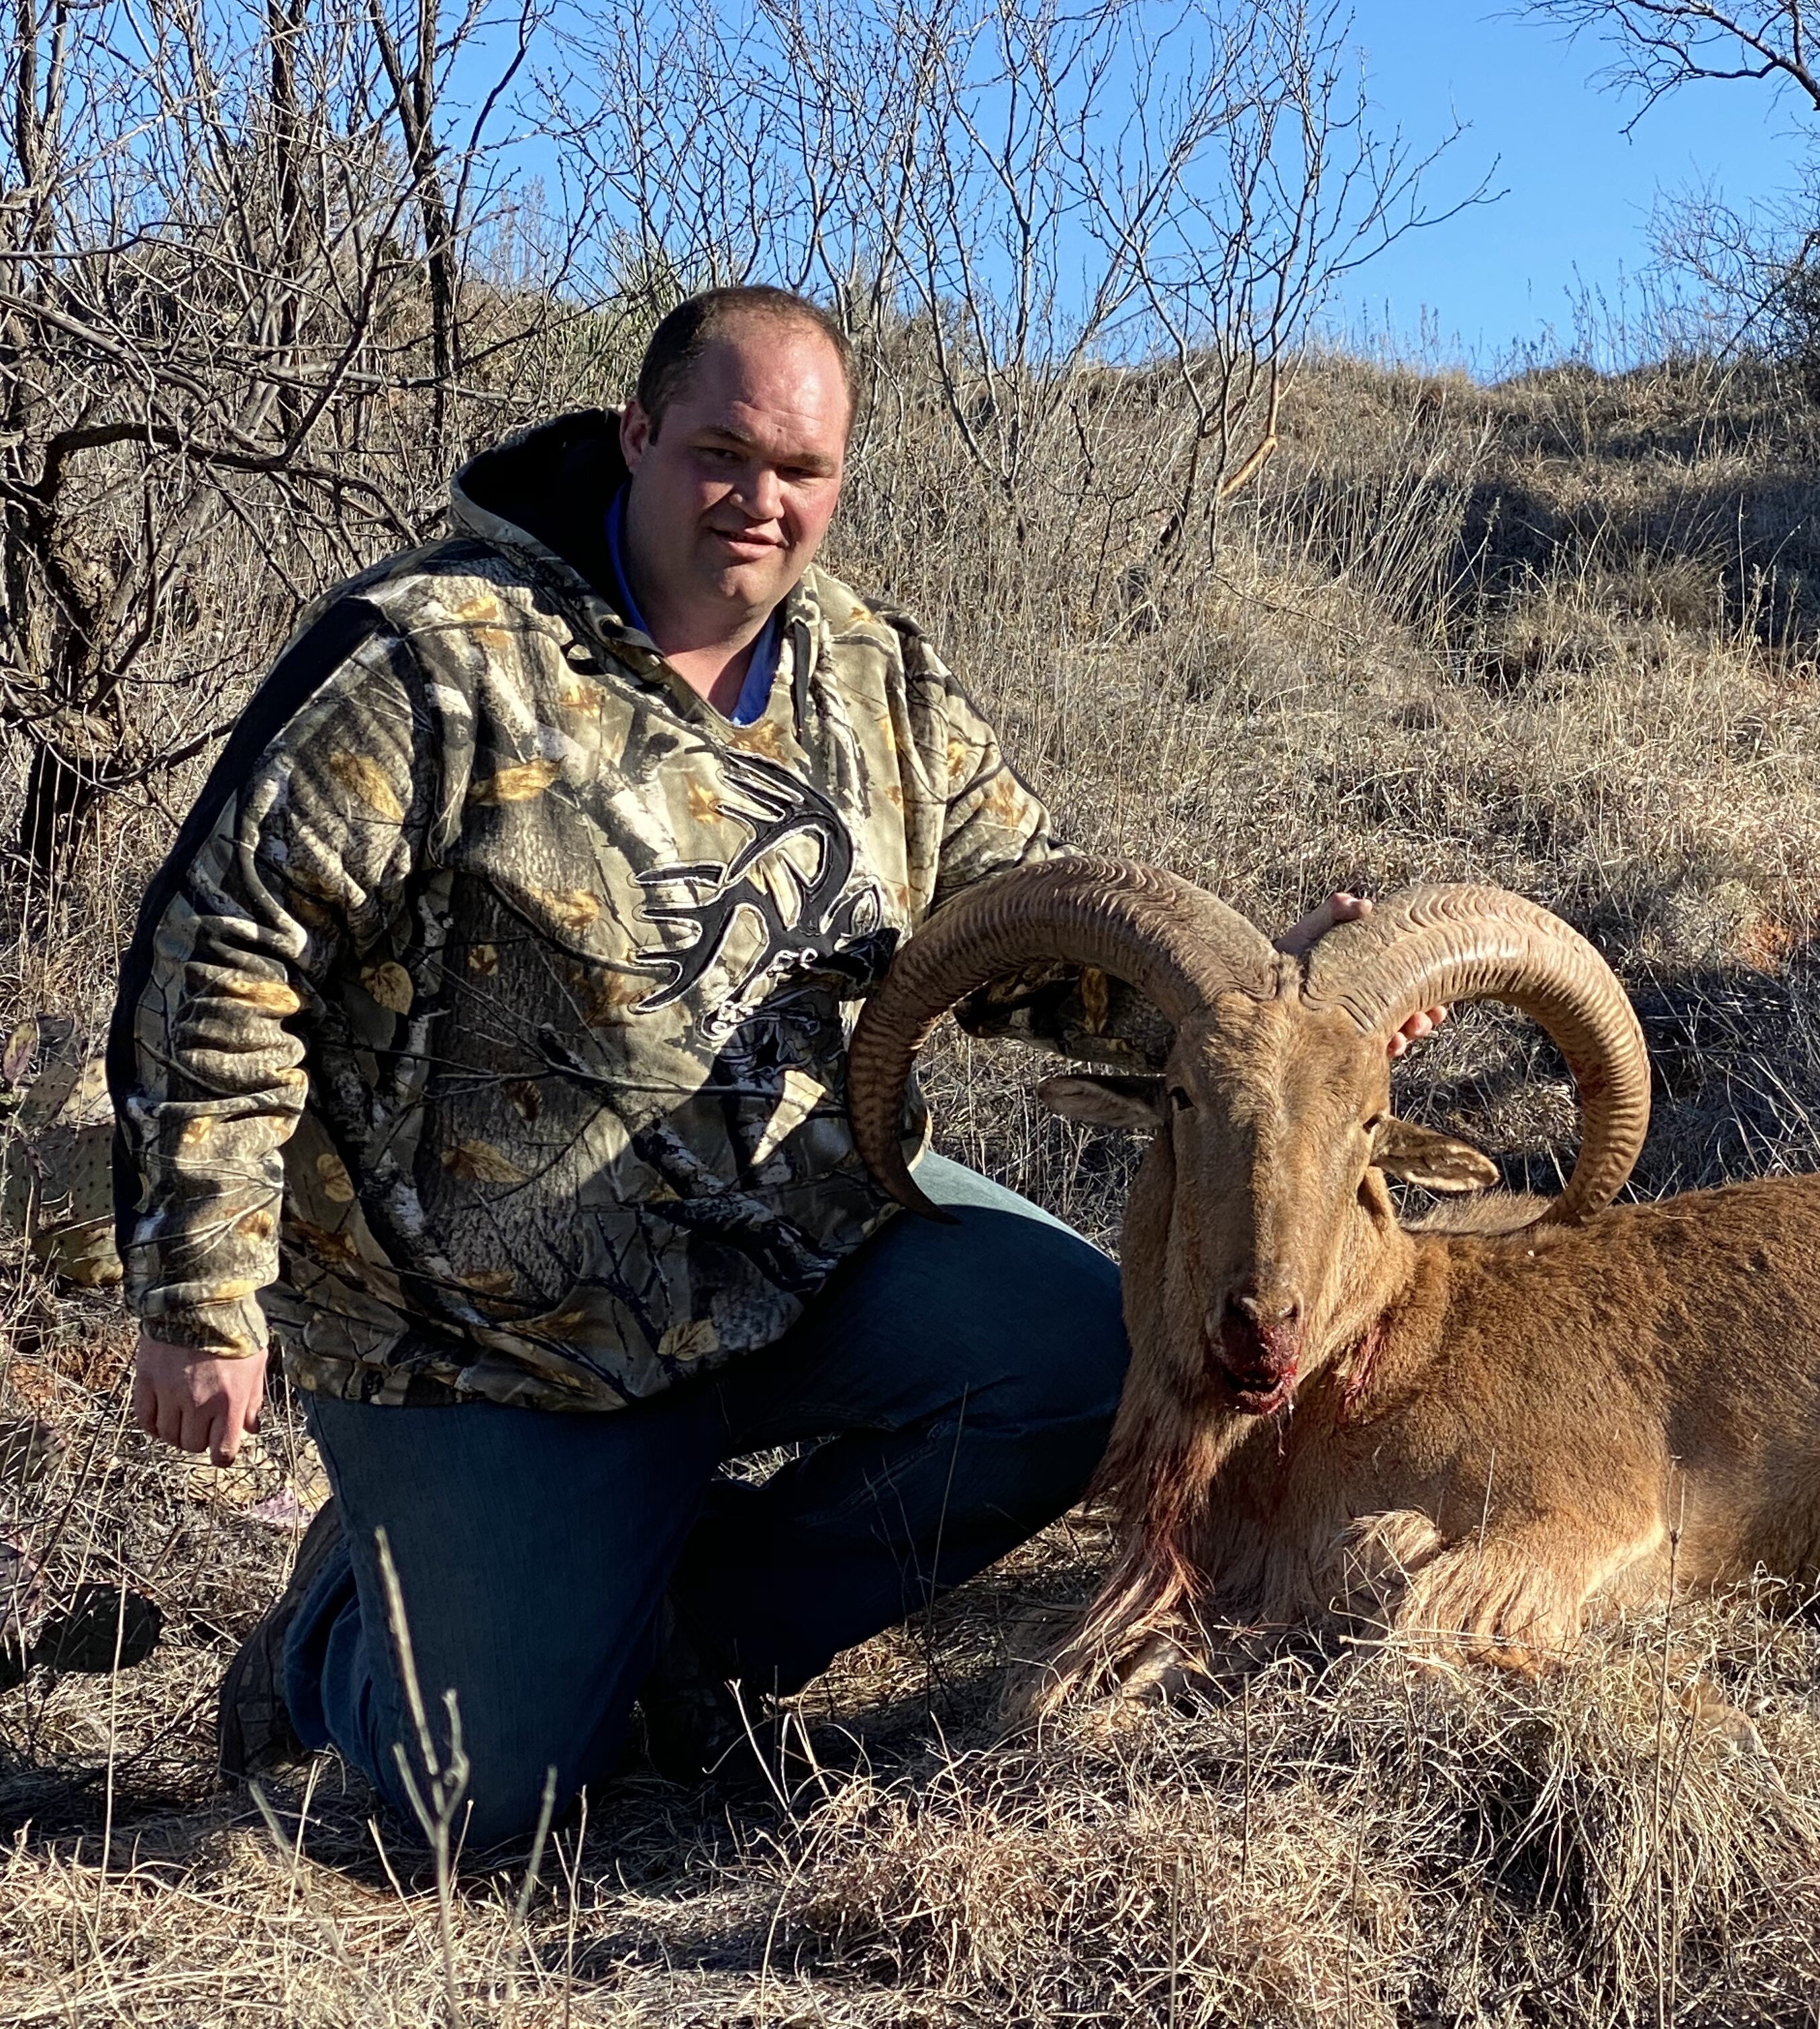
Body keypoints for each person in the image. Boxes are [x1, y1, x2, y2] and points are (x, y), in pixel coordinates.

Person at [113, 287, 1434, 1847]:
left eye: (802, 470)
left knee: (1083, 1353)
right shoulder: (435, 659)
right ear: (638, 435)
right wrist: (199, 1290)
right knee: (480, 1813)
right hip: (480, 1334)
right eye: (723, 452)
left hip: (801, 1245)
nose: (761, 500)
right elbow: (222, 950)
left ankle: (693, 1643)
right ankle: (337, 1627)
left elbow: (1025, 928)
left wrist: (1263, 1022)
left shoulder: (875, 679)